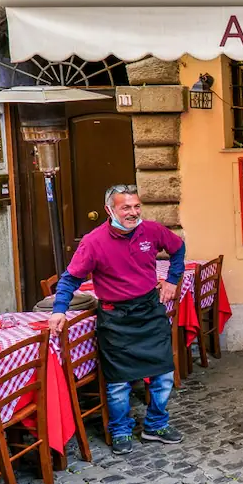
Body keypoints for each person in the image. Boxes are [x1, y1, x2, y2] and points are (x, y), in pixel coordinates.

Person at [50, 184, 185, 455]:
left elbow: (178, 248)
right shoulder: (93, 242)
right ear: (109, 210)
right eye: (126, 208)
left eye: (136, 206)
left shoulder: (152, 231)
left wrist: (172, 280)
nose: (133, 212)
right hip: (116, 318)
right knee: (118, 383)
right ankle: (120, 430)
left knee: (164, 374)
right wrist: (59, 309)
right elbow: (70, 279)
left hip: (149, 310)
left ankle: (156, 424)